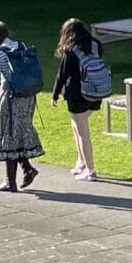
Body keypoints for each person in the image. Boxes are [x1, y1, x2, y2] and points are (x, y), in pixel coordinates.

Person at [0, 19, 44, 192]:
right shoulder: (19, 45)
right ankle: (27, 169)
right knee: (19, 132)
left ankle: (10, 182)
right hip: (27, 97)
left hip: (10, 97)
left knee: (8, 136)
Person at [51, 17, 110, 182]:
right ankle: (81, 162)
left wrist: (55, 95)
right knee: (76, 126)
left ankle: (90, 170)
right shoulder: (95, 44)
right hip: (95, 92)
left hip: (77, 95)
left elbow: (62, 75)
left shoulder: (71, 51)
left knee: (83, 131)